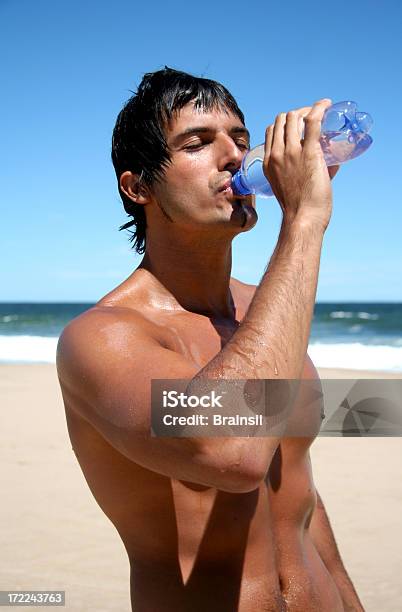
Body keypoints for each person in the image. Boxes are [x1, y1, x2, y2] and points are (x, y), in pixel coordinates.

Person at [56, 67, 364, 611]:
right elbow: (231, 450)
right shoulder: (102, 339)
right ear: (139, 186)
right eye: (197, 142)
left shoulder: (263, 315)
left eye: (240, 140)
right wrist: (304, 220)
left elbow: (298, 499)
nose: (233, 156)